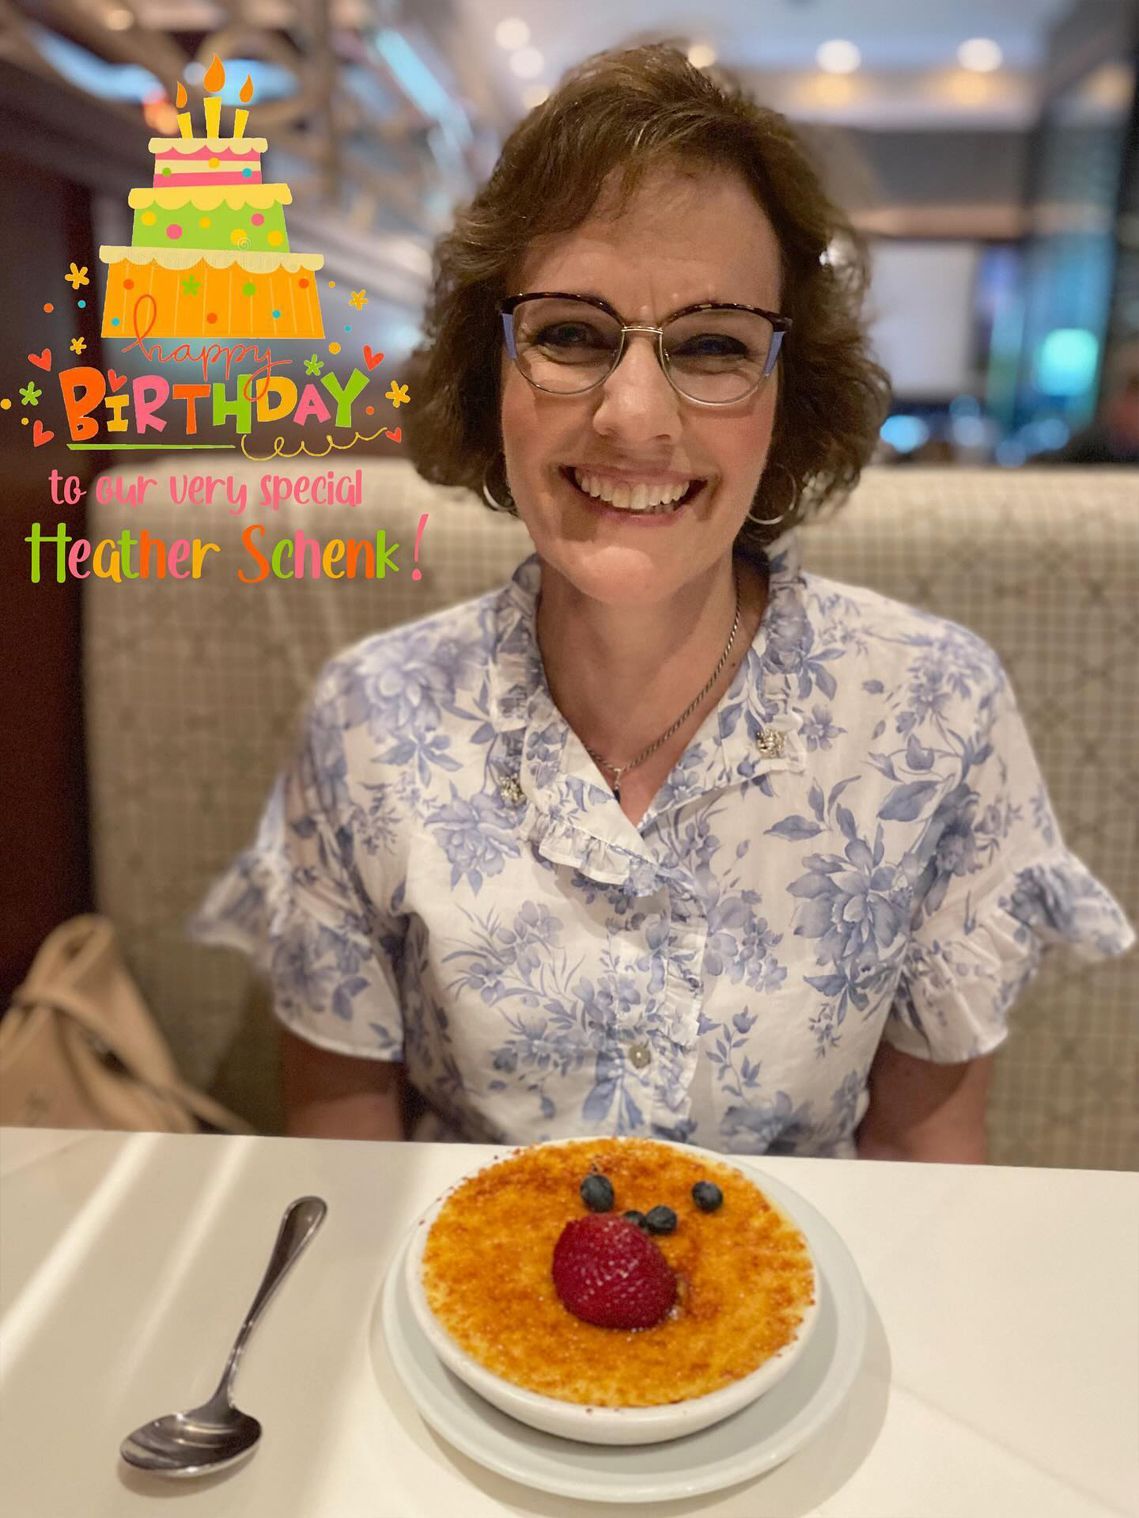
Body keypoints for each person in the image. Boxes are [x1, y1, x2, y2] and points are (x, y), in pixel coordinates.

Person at [192, 45, 1133, 1159]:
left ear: (787, 397)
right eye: (569, 334)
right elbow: (342, 1151)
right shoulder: (368, 720)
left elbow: (923, 1165)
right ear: (489, 372)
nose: (633, 416)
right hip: (463, 1265)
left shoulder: (936, 711)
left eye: (712, 345)